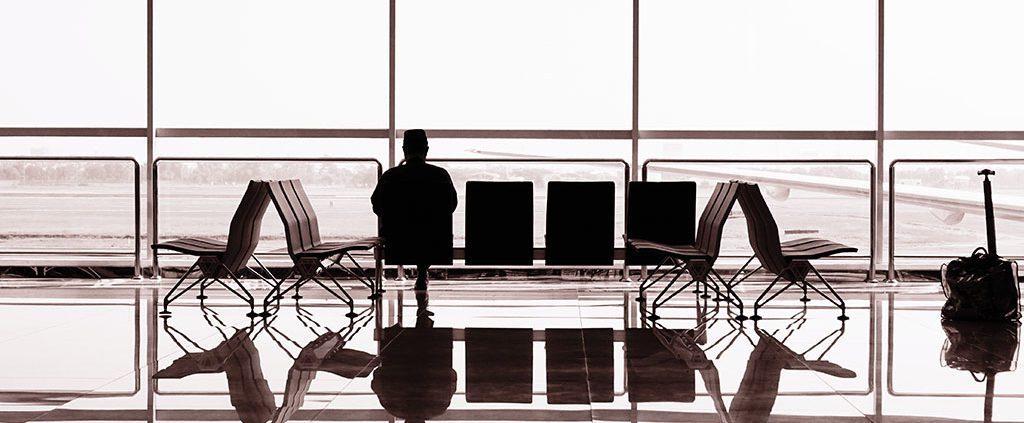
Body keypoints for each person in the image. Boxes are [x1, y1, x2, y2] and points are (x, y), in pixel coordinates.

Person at [371, 129, 457, 291]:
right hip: (435, 240)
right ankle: (423, 272)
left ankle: (420, 273)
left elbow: (377, 205)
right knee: (426, 231)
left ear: (404, 150)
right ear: (426, 150)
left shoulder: (390, 176)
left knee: (411, 232)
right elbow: (451, 205)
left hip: (398, 240)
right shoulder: (440, 175)